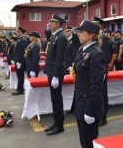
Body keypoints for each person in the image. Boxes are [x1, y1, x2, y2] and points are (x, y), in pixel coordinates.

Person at [71, 20, 106, 148]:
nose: (78, 34)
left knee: (89, 142)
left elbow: (96, 85)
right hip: (81, 101)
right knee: (83, 141)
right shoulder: (83, 50)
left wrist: (90, 110)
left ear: (91, 35)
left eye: (81, 32)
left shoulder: (96, 53)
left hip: (88, 104)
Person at [44, 14, 67, 136]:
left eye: (52, 22)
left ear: (58, 23)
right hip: (51, 71)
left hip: (55, 72)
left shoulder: (61, 37)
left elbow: (59, 58)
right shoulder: (55, 36)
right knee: (54, 98)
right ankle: (56, 121)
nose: (50, 24)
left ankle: (59, 125)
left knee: (57, 98)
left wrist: (56, 76)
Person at [11, 27, 28, 95]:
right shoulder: (20, 40)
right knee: (19, 76)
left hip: (20, 61)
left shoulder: (22, 40)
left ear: (21, 32)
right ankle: (20, 88)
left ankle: (20, 90)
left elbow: (21, 52)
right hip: (18, 60)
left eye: (18, 31)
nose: (17, 32)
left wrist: (19, 61)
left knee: (20, 76)